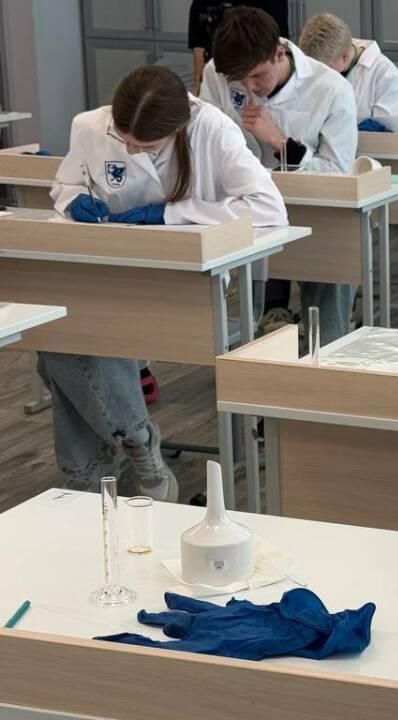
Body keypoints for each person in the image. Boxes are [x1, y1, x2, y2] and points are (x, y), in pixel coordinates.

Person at [46, 66, 288, 499]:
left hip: (184, 280)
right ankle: (137, 443)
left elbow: (269, 209)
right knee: (58, 335)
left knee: (82, 341)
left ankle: (91, 470)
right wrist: (72, 199)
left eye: (146, 146)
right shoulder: (88, 125)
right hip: (109, 269)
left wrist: (172, 213)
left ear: (176, 129)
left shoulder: (213, 129)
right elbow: (66, 184)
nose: (132, 150)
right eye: (125, 142)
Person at [201, 6, 358, 343]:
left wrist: (279, 143)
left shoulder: (330, 88)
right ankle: (253, 350)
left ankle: (329, 352)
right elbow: (204, 137)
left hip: (317, 208)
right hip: (245, 206)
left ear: (278, 52)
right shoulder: (217, 72)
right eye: (239, 80)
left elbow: (338, 173)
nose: (249, 86)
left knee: (331, 277)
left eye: (257, 76)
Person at [298, 13, 398, 133]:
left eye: (325, 69)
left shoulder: (386, 75)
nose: (319, 75)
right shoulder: (333, 53)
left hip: (364, 144)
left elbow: (386, 134)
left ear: (345, 57)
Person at [188, 0, 290, 93]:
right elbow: (199, 44)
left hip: (264, 59)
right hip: (226, 68)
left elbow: (277, 42)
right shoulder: (213, 69)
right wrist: (199, 86)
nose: (250, 87)